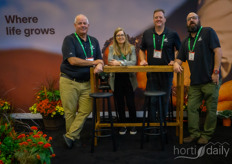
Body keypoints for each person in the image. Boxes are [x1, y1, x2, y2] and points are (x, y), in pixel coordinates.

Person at [173, 12, 222, 144]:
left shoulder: (208, 32)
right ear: (187, 23)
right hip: (195, 82)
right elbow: (179, 59)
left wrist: (216, 72)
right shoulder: (185, 42)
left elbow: (217, 50)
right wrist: (176, 64)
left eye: (194, 18)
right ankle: (194, 133)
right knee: (191, 108)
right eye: (189, 19)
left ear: (198, 20)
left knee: (211, 110)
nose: (192, 20)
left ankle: (206, 135)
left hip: (211, 79)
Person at [60, 14, 104, 149]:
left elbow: (100, 60)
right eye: (80, 23)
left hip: (87, 83)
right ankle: (74, 138)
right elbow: (72, 61)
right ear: (75, 25)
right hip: (69, 81)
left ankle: (70, 136)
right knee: (70, 112)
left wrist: (100, 65)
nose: (83, 25)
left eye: (85, 23)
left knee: (86, 109)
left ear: (88, 26)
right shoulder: (69, 40)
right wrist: (94, 62)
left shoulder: (94, 41)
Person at [139, 9, 181, 121]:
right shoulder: (147, 33)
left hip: (167, 74)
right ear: (153, 20)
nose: (158, 19)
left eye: (160, 17)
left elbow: (179, 50)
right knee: (152, 100)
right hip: (152, 74)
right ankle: (153, 125)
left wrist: (175, 61)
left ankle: (163, 125)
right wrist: (142, 60)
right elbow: (141, 49)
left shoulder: (172, 34)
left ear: (164, 19)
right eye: (156, 17)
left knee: (165, 100)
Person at [108, 27, 138, 135]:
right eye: (118, 35)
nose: (120, 37)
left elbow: (133, 62)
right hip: (116, 79)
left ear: (125, 36)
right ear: (115, 38)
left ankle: (133, 125)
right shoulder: (112, 48)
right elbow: (110, 61)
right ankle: (122, 125)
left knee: (130, 103)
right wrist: (124, 62)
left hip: (128, 79)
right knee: (119, 103)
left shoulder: (132, 48)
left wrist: (120, 63)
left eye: (122, 35)